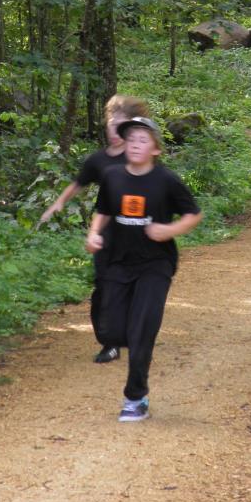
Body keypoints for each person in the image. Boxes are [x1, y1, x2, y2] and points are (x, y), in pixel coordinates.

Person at [86, 116, 202, 422]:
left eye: (142, 140)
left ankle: (135, 399)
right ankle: (124, 342)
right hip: (118, 262)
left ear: (155, 149)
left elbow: (193, 214)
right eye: (131, 139)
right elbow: (104, 211)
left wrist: (170, 230)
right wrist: (94, 233)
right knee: (111, 328)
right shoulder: (113, 177)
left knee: (142, 329)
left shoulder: (166, 181)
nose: (135, 145)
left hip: (155, 265)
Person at [38, 94, 151, 364]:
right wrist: (58, 204)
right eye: (111, 124)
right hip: (105, 234)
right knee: (103, 288)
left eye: (120, 125)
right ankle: (109, 342)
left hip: (136, 233)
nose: (114, 131)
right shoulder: (97, 160)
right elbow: (78, 183)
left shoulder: (138, 157)